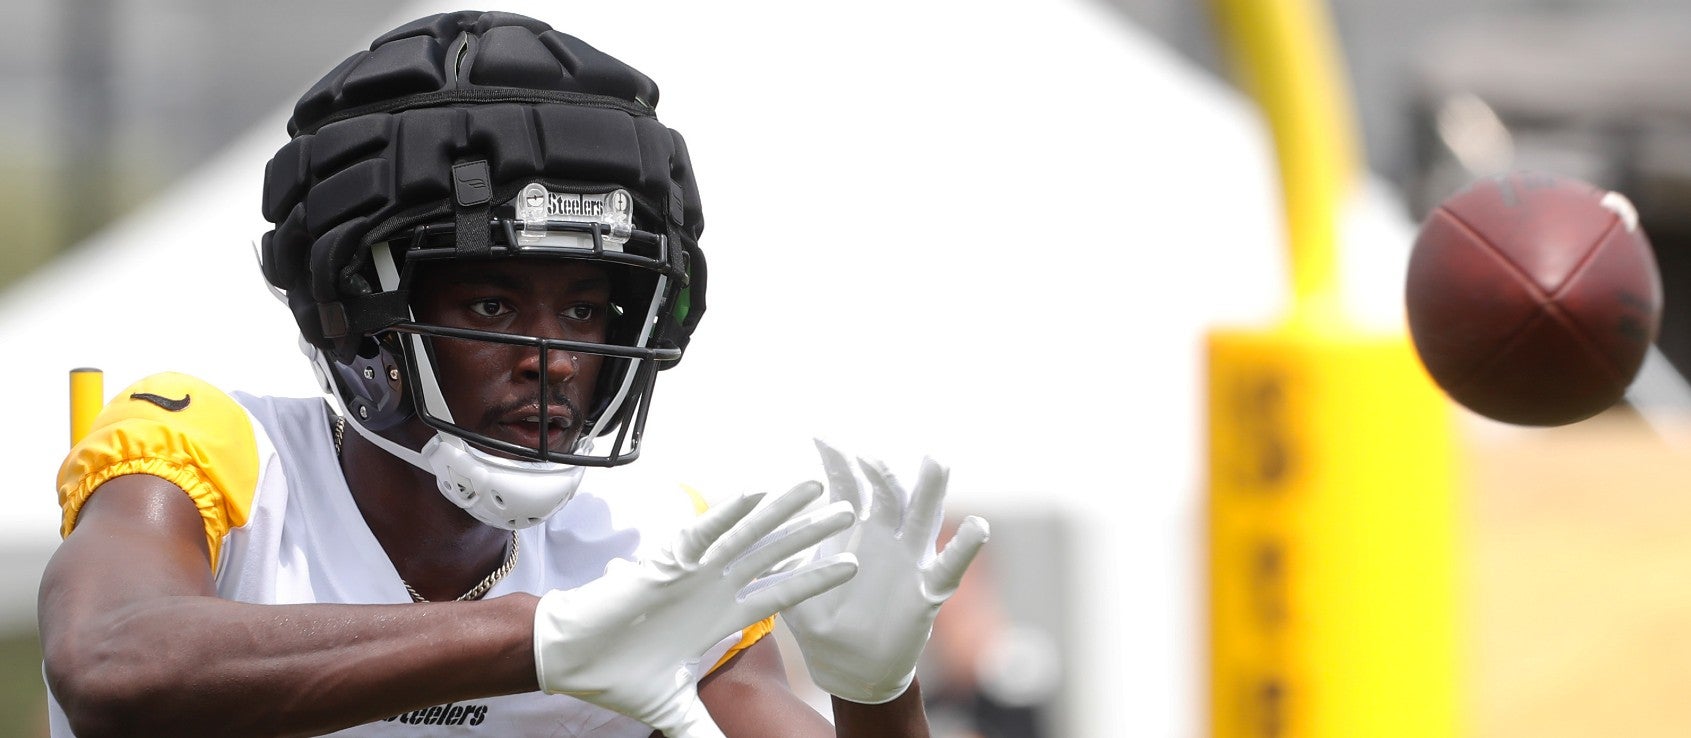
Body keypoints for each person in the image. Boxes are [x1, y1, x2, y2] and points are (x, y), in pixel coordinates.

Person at [37, 10, 989, 737]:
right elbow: (108, 662)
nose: (560, 358)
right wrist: (544, 641)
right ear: (355, 316)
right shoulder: (221, 452)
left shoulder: (647, 541)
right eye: (492, 306)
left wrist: (878, 697)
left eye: (584, 308)